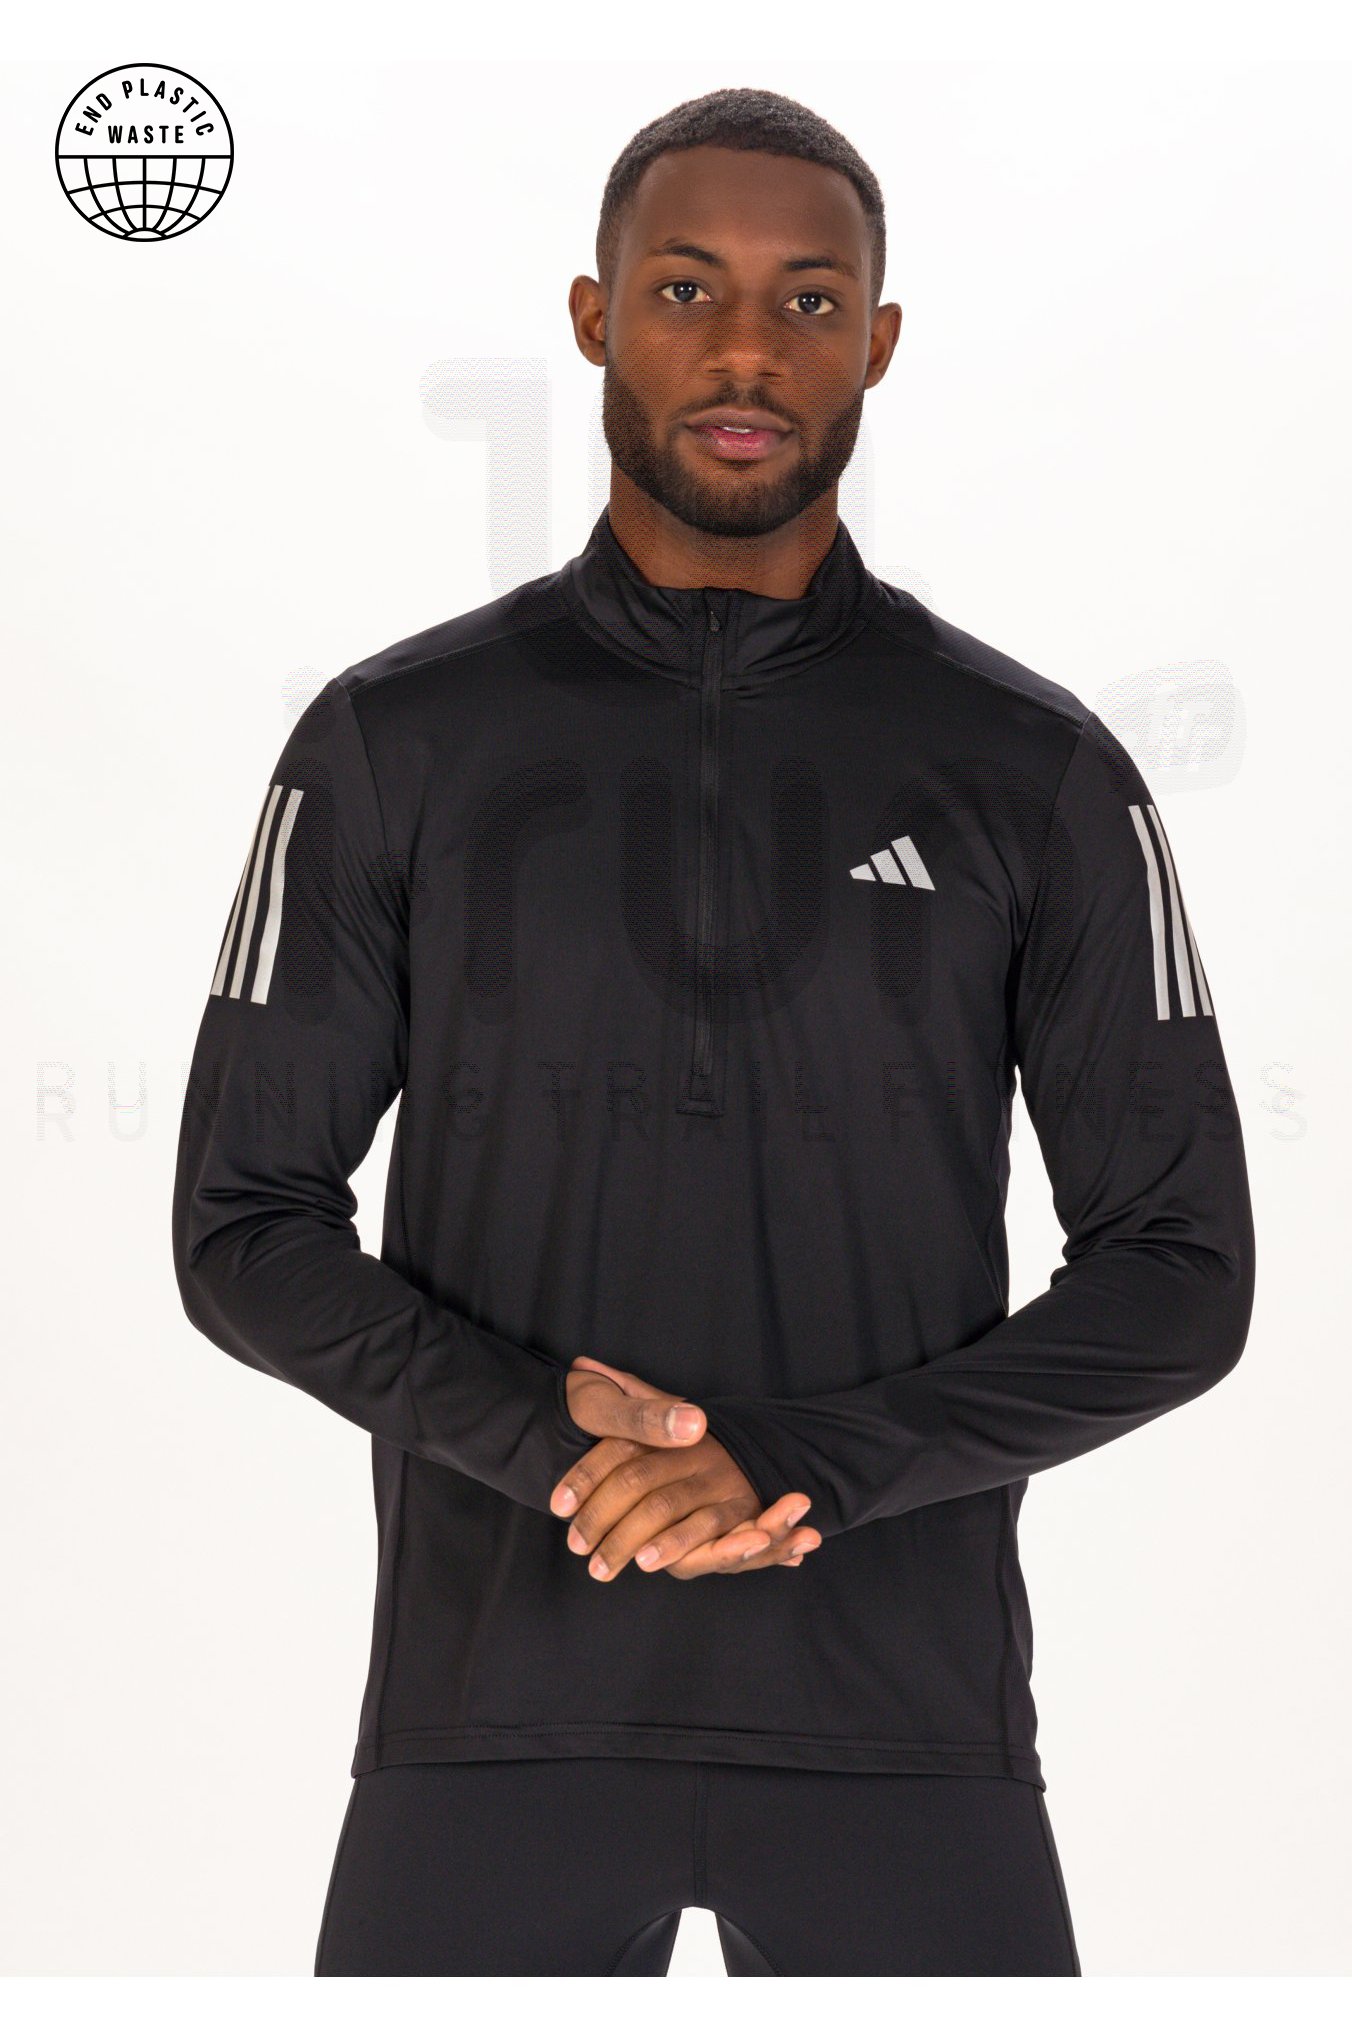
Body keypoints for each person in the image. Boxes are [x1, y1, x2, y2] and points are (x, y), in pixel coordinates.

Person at [171, 86, 1256, 1976]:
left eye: (808, 301)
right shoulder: (395, 741)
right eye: (686, 289)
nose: (748, 347)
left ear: (878, 343)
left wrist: (805, 1460)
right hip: (491, 1720)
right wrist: (551, 1442)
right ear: (595, 316)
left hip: (904, 1731)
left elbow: (1183, 1271)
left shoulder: (1035, 767)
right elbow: (241, 1223)